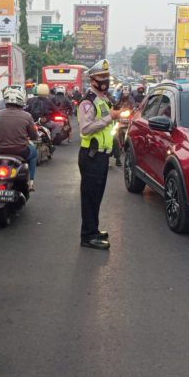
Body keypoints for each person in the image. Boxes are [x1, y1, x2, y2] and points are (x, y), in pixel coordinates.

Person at [77, 60, 121, 250]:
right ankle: (87, 236)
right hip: (91, 156)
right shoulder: (88, 102)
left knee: (97, 196)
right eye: (101, 77)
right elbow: (86, 129)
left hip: (101, 156)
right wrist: (109, 117)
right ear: (92, 80)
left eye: (106, 77)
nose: (105, 81)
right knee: (89, 197)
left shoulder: (103, 99)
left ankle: (93, 230)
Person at [0, 87, 39, 191]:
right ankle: (31, 182)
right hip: (21, 151)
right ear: (21, 100)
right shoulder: (27, 116)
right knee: (34, 154)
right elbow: (34, 136)